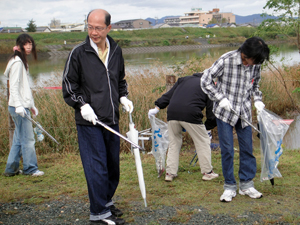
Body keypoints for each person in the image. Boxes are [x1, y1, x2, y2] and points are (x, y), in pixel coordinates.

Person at [62, 9, 133, 225]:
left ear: (109, 28)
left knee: (112, 166)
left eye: (98, 28)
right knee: (96, 167)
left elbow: (120, 79)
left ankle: (106, 202)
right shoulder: (78, 53)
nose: (93, 32)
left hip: (111, 118)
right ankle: (99, 214)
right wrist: (82, 105)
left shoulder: (116, 50)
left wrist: (123, 96)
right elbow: (68, 85)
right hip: (89, 120)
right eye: (90, 27)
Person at [200, 37, 270, 202]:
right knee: (228, 151)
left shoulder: (255, 64)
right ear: (245, 54)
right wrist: (220, 98)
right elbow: (205, 79)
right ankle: (229, 186)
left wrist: (258, 100)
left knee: (247, 149)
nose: (255, 65)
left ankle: (246, 184)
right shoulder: (226, 60)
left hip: (244, 112)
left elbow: (255, 86)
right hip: (225, 112)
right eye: (254, 60)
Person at [148, 72, 218, 182]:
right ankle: (207, 172)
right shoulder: (208, 84)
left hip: (172, 113)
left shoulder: (183, 80)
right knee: (203, 141)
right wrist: (208, 127)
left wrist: (157, 107)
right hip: (191, 113)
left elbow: (168, 95)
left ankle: (170, 173)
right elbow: (211, 110)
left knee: (174, 143)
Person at [3, 34, 44, 177]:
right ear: (19, 45)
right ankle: (31, 169)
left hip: (20, 106)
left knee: (19, 139)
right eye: (26, 44)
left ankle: (11, 169)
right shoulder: (17, 62)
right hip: (17, 107)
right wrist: (20, 106)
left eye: (31, 44)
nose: (29, 47)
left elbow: (24, 88)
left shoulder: (20, 61)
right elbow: (13, 87)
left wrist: (31, 105)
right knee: (28, 139)